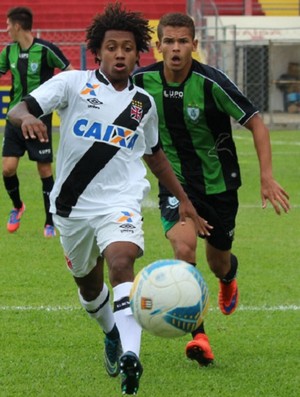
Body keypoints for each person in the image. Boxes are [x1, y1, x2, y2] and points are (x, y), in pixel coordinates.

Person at [7, 3, 211, 395]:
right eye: (112, 47)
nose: (120, 54)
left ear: (139, 54)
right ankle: (112, 334)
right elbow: (21, 107)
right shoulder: (72, 84)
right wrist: (28, 118)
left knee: (122, 260)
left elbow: (155, 156)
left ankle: (132, 358)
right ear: (97, 51)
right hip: (71, 208)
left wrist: (184, 200)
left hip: (120, 201)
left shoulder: (143, 105)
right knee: (88, 287)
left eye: (128, 48)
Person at [133, 12, 290, 367]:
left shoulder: (211, 83)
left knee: (217, 261)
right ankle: (199, 335)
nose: (175, 49)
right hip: (175, 184)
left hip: (219, 185)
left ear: (194, 45)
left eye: (182, 42)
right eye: (168, 42)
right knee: (184, 249)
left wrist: (266, 176)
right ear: (158, 46)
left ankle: (228, 278)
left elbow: (257, 124)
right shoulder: (141, 82)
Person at [0, 6, 73, 237]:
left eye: (8, 24)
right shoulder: (8, 51)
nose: (7, 28)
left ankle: (49, 221)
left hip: (39, 121)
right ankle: (18, 206)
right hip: (13, 118)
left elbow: (71, 72)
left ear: (18, 25)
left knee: (44, 170)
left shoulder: (46, 49)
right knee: (8, 168)